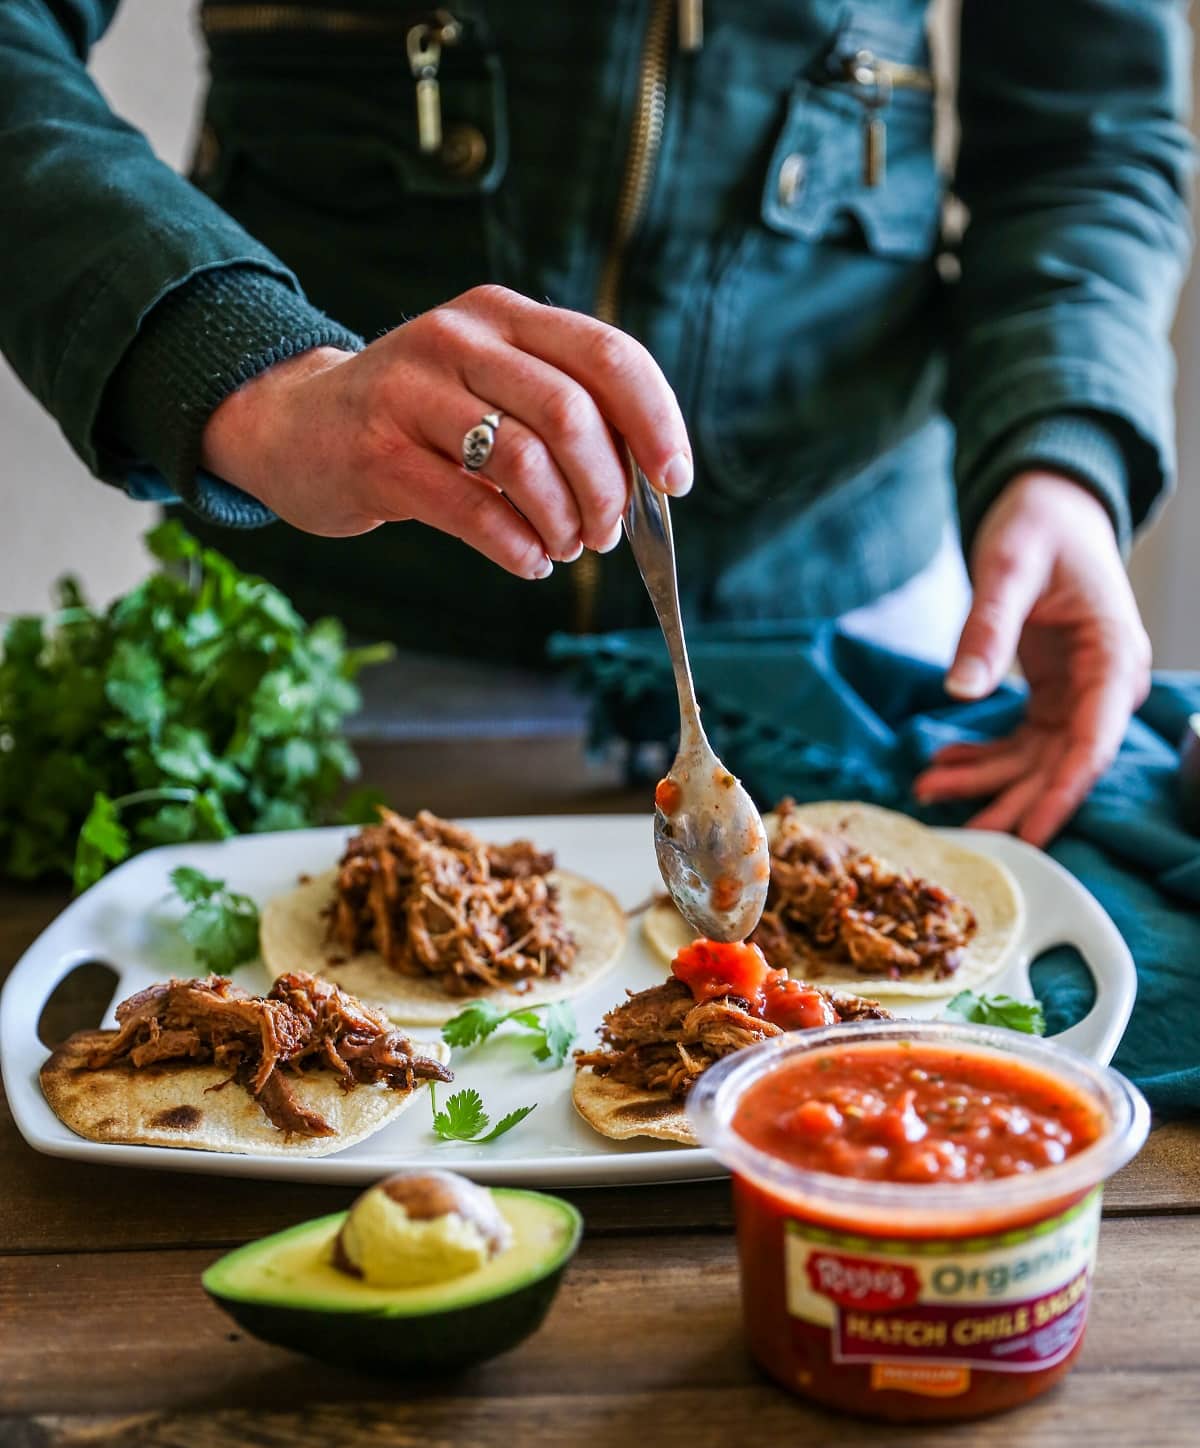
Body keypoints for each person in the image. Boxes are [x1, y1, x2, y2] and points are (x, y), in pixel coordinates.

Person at [0, 2, 1191, 848]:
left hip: (846, 632)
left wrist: (1060, 451)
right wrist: (245, 367)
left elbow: (1089, 136)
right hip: (332, 649)